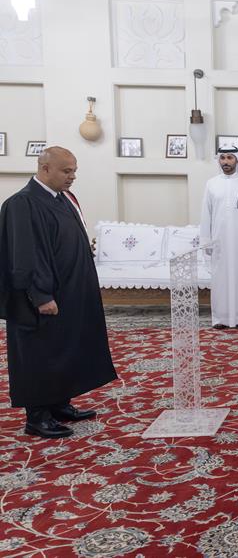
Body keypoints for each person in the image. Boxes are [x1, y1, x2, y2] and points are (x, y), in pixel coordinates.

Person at [0, 147, 117, 438]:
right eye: (67, 171)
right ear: (45, 168)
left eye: (74, 171)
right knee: (40, 353)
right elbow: (25, 256)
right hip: (40, 299)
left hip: (68, 293)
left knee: (63, 349)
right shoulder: (23, 204)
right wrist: (40, 296)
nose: (72, 177)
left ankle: (59, 403)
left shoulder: (60, 199)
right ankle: (37, 416)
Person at [200, 146, 238, 329]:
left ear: (237, 160)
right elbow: (206, 214)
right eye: (223, 158)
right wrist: (206, 241)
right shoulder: (212, 183)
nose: (226, 161)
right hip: (219, 240)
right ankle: (220, 317)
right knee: (220, 278)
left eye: (230, 158)